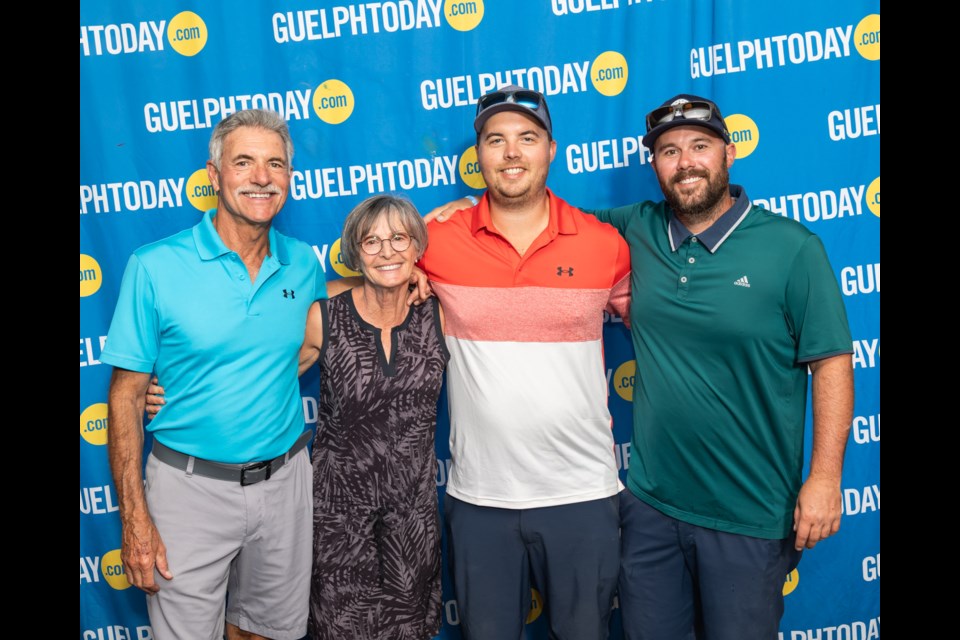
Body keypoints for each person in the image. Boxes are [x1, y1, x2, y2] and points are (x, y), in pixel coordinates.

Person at [432, 93, 855, 639]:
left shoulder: (791, 247)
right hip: (651, 507)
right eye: (669, 151)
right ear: (653, 164)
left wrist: (824, 479)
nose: (686, 163)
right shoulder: (630, 231)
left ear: (729, 153)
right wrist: (439, 218)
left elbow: (833, 363)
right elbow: (525, 216)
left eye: (700, 146)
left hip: (748, 511)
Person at [101, 109, 326, 640]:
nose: (261, 177)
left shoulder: (302, 264)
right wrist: (135, 519)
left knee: (266, 634)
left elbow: (310, 345)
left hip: (286, 482)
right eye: (244, 162)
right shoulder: (154, 267)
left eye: (276, 164)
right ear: (213, 174)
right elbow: (126, 398)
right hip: (189, 491)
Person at [420, 85, 631, 640]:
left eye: (527, 138)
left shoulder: (603, 243)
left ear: (551, 149)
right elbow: (362, 292)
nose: (512, 153)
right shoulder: (435, 238)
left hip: (582, 495)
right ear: (480, 155)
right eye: (496, 140)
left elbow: (671, 330)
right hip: (479, 499)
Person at [298, 195, 447, 639]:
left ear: (418, 247)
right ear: (354, 252)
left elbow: (474, 209)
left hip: (412, 522)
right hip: (338, 524)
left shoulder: (438, 314)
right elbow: (263, 379)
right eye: (372, 241)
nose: (387, 252)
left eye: (399, 239)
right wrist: (182, 393)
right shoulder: (324, 316)